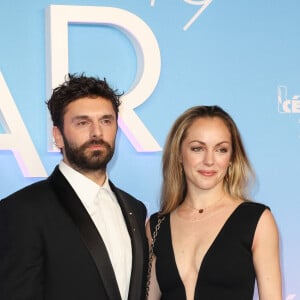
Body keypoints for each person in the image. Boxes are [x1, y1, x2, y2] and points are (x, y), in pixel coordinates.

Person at [0, 73, 148, 300]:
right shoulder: (22, 211)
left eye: (106, 121)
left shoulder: (135, 208)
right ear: (58, 136)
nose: (97, 132)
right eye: (83, 122)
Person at [146, 105, 282, 300]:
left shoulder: (256, 220)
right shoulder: (156, 226)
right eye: (197, 148)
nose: (209, 160)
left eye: (221, 149)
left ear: (232, 158)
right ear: (178, 154)